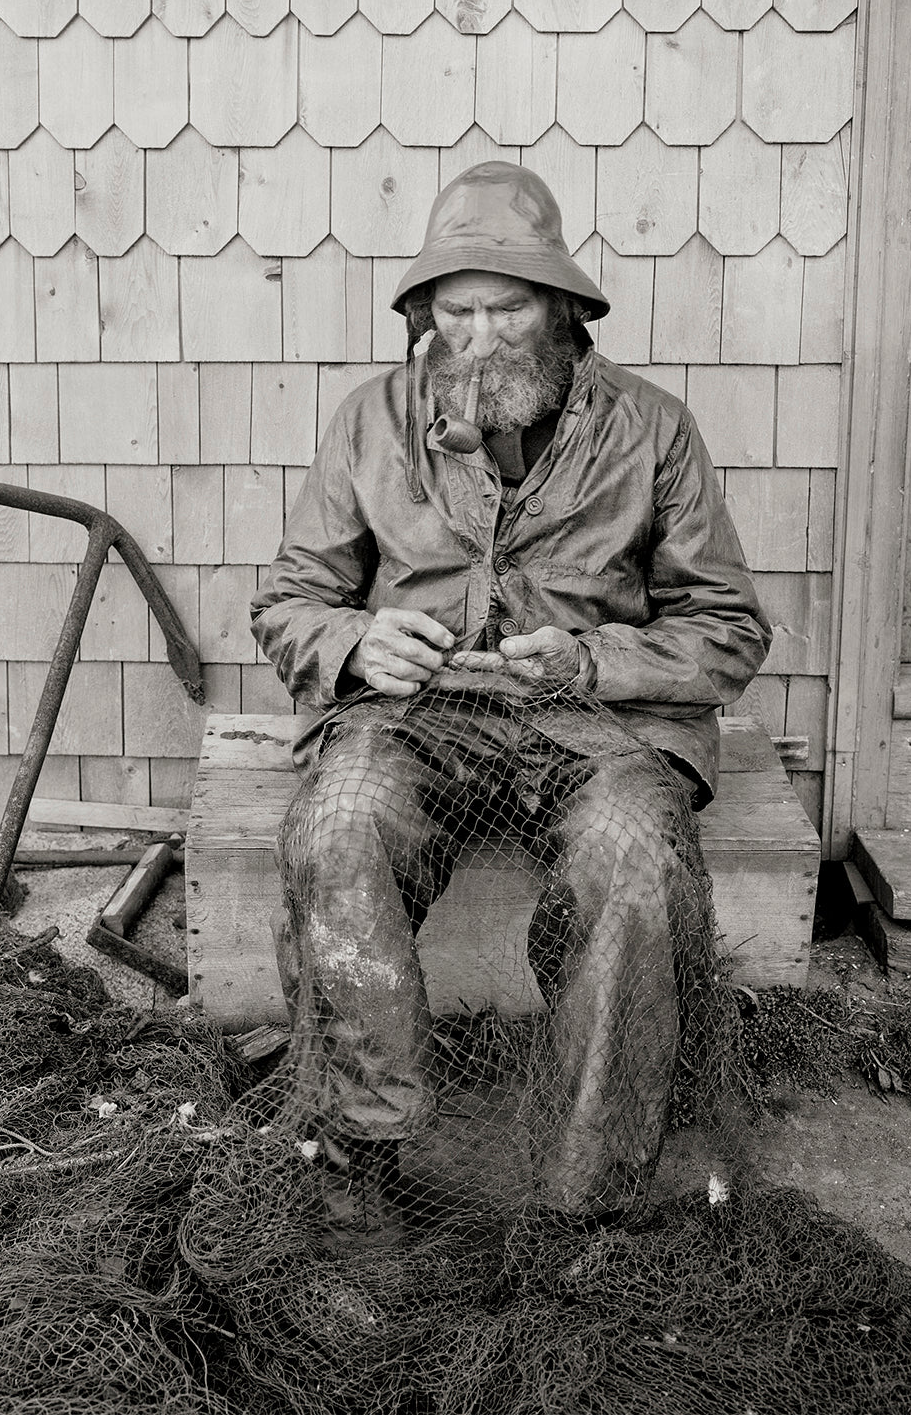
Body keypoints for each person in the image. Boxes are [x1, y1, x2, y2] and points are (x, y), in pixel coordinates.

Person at [250, 162, 771, 1246]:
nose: (480, 339)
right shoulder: (371, 421)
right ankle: (362, 1157)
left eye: (508, 310)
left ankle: (588, 1201)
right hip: (415, 720)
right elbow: (291, 600)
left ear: (564, 310)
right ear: (425, 316)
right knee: (339, 822)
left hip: (601, 726)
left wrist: (593, 660)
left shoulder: (654, 430)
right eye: (457, 313)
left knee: (634, 856)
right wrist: (354, 641)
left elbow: (727, 628)